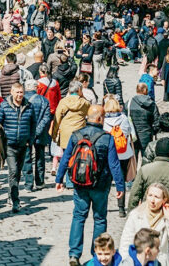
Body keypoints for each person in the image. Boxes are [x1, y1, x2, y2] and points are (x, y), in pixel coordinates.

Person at [56, 104, 126, 266]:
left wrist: (59, 179)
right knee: (100, 219)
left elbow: (66, 159)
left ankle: (74, 254)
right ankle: (97, 254)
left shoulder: (76, 135)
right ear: (100, 119)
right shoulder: (106, 138)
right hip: (100, 185)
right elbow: (114, 164)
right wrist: (120, 186)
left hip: (80, 184)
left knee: (79, 217)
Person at [0, 82, 39, 214]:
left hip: (23, 144)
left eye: (21, 92)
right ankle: (15, 200)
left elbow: (33, 125)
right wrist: (1, 142)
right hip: (9, 144)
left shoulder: (29, 106)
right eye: (17, 92)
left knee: (18, 172)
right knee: (13, 171)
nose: (19, 95)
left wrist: (29, 141)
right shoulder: (4, 105)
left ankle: (11, 193)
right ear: (12, 92)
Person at [120, 185, 169, 266]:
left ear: (164, 200)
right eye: (150, 195)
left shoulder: (167, 217)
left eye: (156, 197)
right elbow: (126, 241)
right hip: (138, 261)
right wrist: (127, 261)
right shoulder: (136, 215)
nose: (152, 200)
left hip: (161, 262)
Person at [103, 96, 138, 218]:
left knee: (106, 180)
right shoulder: (123, 118)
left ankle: (103, 206)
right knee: (121, 180)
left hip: (107, 153)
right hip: (122, 153)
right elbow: (128, 132)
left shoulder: (103, 120)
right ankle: (121, 208)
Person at [128, 139, 169, 209]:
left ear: (156, 152)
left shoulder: (145, 170)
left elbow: (134, 196)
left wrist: (131, 216)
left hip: (149, 211)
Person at [53, 79, 92, 177]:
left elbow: (57, 118)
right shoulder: (85, 103)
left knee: (66, 156)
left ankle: (65, 177)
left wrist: (54, 134)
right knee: (77, 155)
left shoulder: (63, 102)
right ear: (80, 90)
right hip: (80, 132)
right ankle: (75, 176)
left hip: (65, 132)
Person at [26, 77, 54, 192]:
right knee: (40, 157)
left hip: (27, 132)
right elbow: (47, 117)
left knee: (26, 158)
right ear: (36, 88)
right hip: (41, 132)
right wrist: (38, 130)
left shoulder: (22, 100)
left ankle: (28, 183)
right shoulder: (43, 100)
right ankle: (40, 181)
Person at [127, 82, 159, 154]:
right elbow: (156, 121)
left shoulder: (129, 103)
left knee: (132, 161)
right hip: (146, 135)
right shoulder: (151, 104)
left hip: (132, 135)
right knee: (146, 158)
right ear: (145, 91)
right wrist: (153, 132)